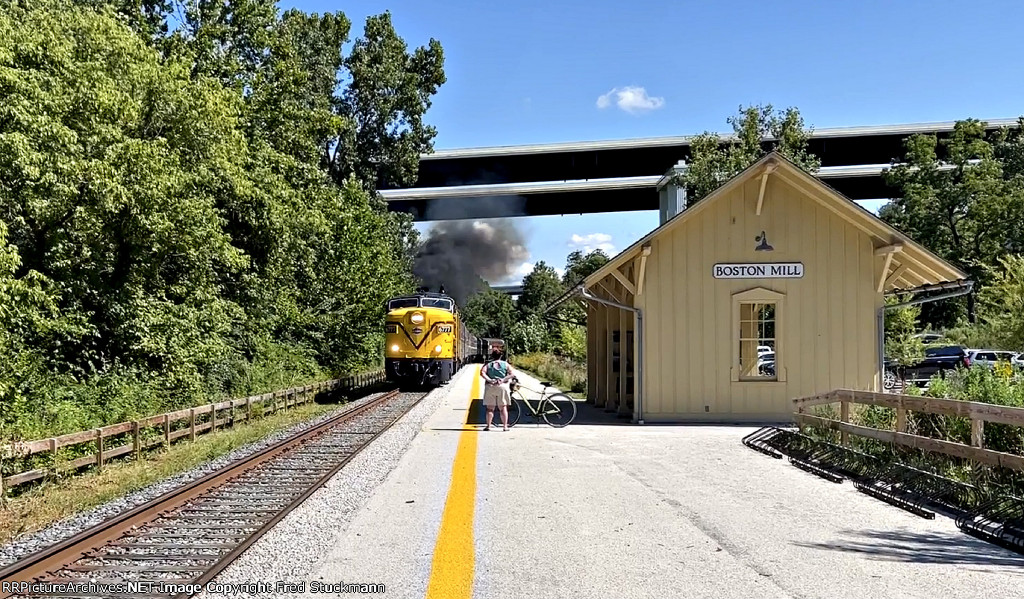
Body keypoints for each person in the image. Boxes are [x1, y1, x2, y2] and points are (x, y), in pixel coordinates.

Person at [480, 349, 515, 431]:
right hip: (502, 386)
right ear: (501, 356)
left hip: (490, 386)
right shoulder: (505, 364)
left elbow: (482, 372)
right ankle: (505, 426)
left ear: (492, 356)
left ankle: (488, 426)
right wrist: (503, 379)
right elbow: (512, 374)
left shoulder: (488, 364)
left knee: (490, 408)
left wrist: (489, 379)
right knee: (503, 408)